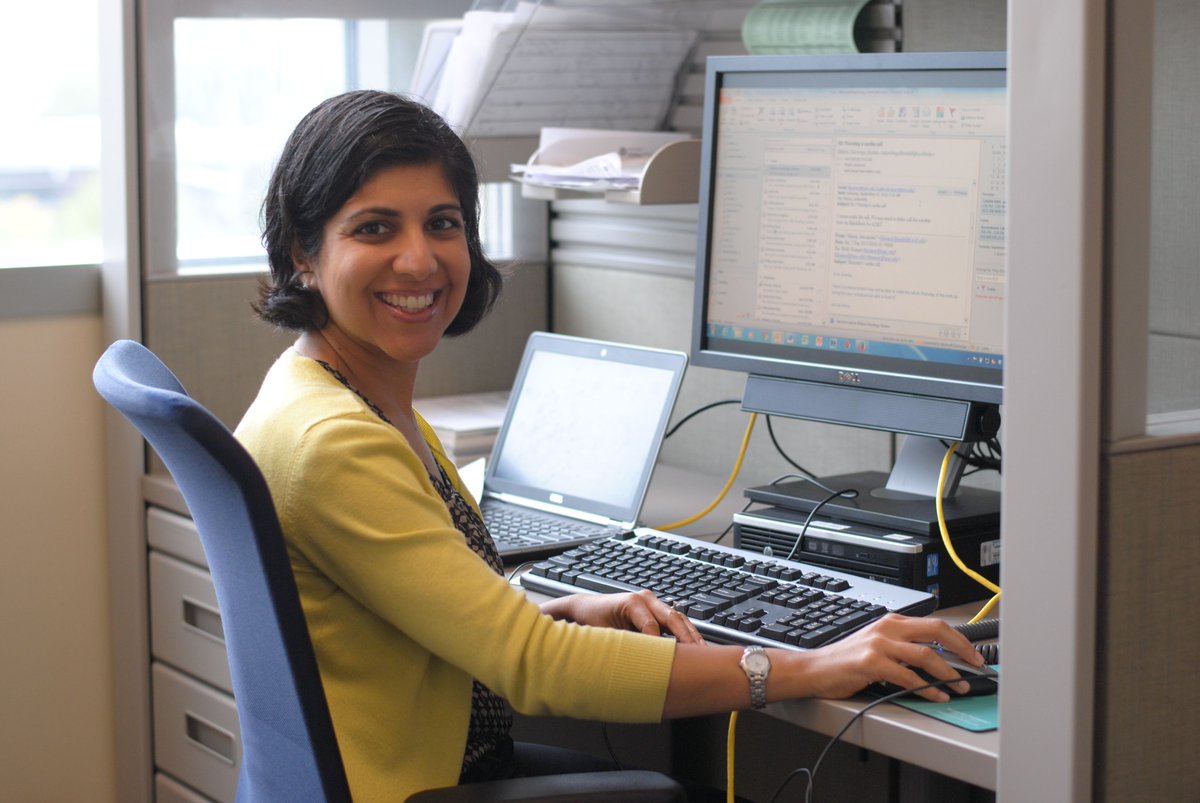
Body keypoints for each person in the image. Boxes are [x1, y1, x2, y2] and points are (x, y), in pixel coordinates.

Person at [235, 89, 985, 801]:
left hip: (419, 759)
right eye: (375, 228)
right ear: (304, 251)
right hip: (418, 781)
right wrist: (807, 663)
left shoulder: (332, 392)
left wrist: (561, 612)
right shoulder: (334, 443)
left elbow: (451, 621)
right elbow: (533, 669)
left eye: (442, 222)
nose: (420, 260)